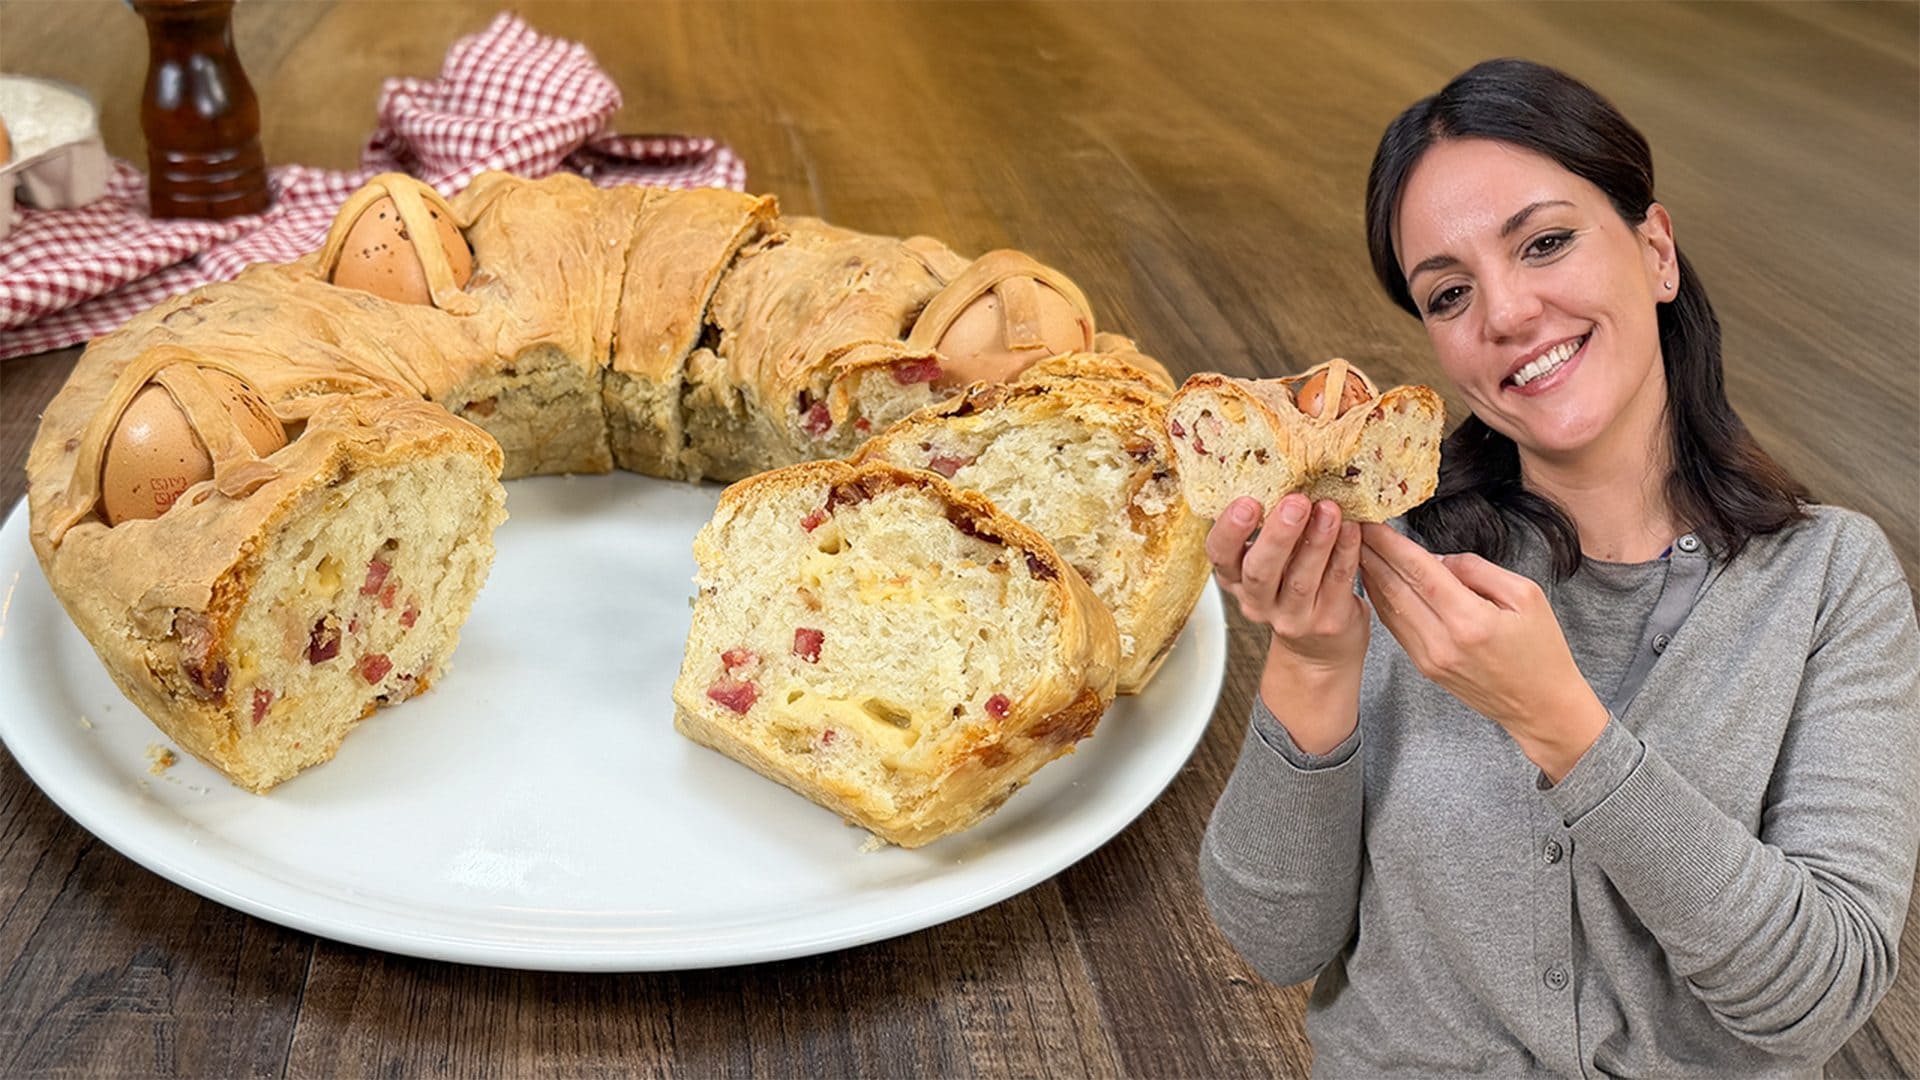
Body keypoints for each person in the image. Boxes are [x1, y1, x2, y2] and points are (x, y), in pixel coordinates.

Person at [1198, 57, 1920, 1077]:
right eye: (1448, 293)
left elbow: (1817, 997)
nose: (1505, 314)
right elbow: (1274, 943)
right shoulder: (1394, 551)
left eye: (1544, 243)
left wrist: (1561, 725)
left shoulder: (1828, 581)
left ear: (1656, 251)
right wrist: (1313, 661)